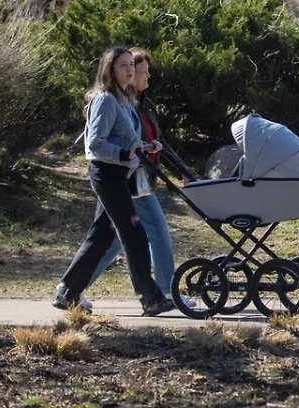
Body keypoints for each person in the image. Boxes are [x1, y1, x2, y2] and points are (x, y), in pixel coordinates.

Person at [52, 46, 175, 316]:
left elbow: (125, 141)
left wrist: (145, 146)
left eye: (131, 64)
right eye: (123, 65)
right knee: (134, 233)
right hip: (107, 174)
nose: (130, 70)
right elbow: (95, 144)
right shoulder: (106, 99)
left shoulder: (124, 99)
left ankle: (68, 293)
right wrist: (123, 153)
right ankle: (151, 297)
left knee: (101, 236)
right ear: (109, 70)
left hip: (120, 173)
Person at [80, 48, 198, 306]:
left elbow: (153, 141)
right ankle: (164, 293)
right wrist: (128, 154)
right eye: (136, 69)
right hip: (126, 177)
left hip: (133, 176)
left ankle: (71, 288)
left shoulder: (140, 104)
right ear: (116, 70)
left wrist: (181, 171)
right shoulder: (112, 101)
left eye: (140, 69)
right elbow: (99, 143)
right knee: (150, 232)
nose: (144, 75)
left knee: (110, 238)